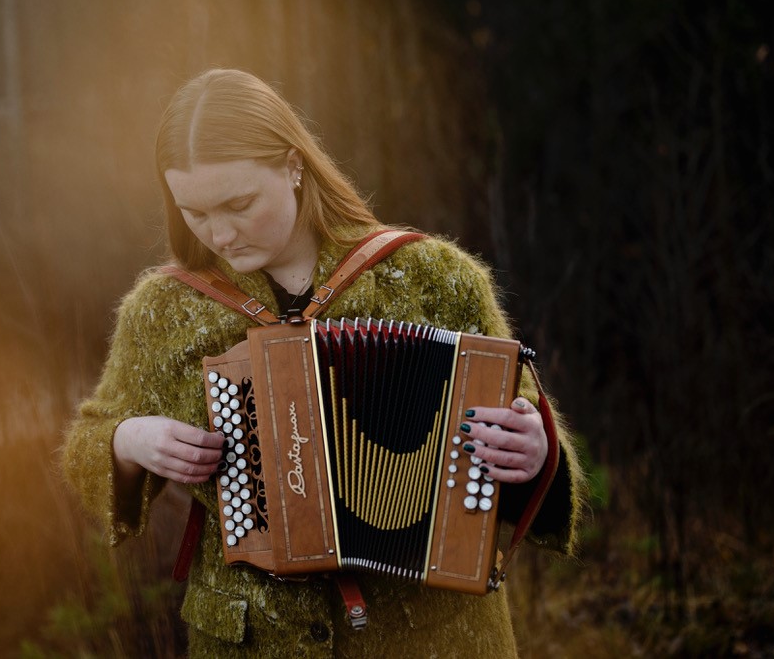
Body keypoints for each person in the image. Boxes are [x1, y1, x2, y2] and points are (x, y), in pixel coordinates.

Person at [61, 69, 583, 657]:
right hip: (251, 641)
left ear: (293, 166)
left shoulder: (436, 279)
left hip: (435, 635)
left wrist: (535, 454)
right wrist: (128, 442)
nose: (220, 233)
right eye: (193, 212)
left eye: (238, 204)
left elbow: (525, 440)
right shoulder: (162, 310)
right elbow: (88, 447)